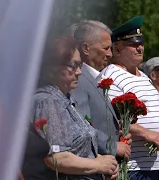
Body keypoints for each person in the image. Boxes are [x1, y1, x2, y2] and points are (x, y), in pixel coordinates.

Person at [100, 16, 159, 180]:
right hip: (130, 165)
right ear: (117, 50)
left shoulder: (143, 76)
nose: (140, 48)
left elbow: (149, 109)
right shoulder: (111, 77)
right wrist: (146, 133)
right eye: (133, 45)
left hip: (152, 163)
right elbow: (113, 118)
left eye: (141, 44)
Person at [30, 36, 118, 179]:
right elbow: (56, 158)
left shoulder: (64, 99)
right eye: (74, 65)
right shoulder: (47, 102)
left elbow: (79, 150)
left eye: (80, 65)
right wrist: (98, 165)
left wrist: (106, 165)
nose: (79, 72)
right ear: (52, 67)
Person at [70, 20, 132, 161]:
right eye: (106, 48)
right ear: (86, 48)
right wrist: (113, 146)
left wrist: (118, 134)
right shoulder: (78, 79)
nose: (110, 54)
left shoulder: (92, 77)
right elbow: (81, 125)